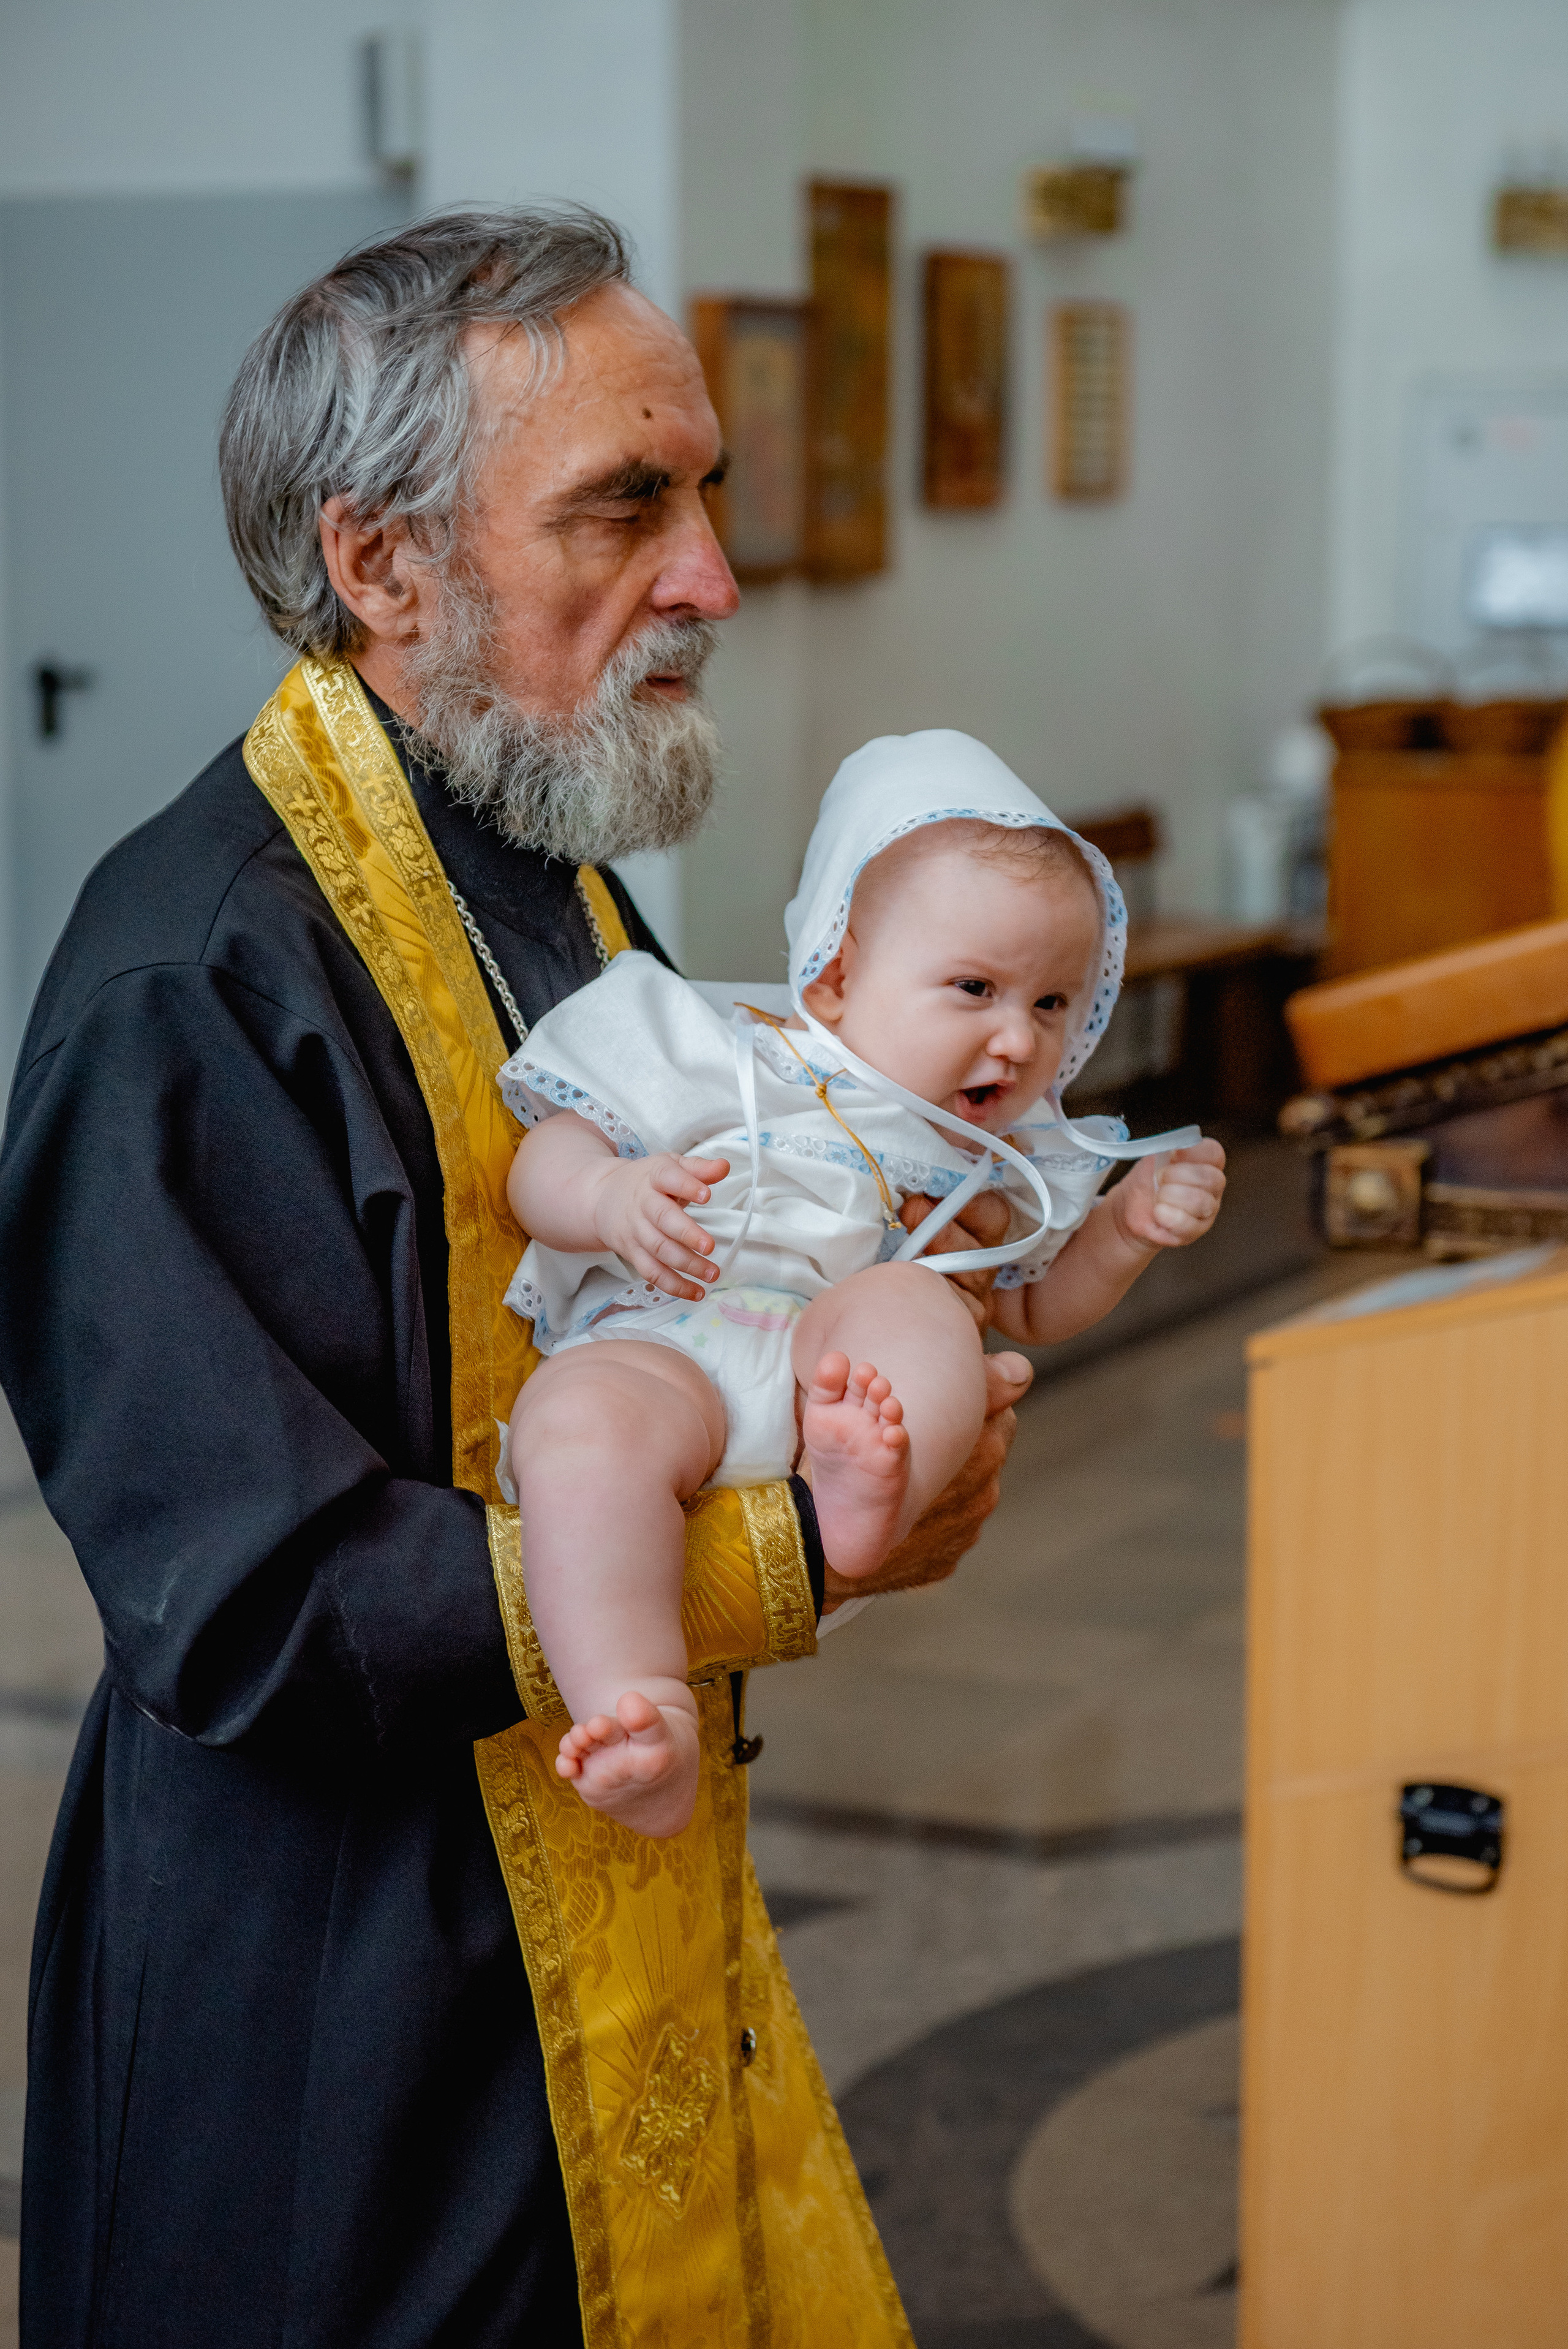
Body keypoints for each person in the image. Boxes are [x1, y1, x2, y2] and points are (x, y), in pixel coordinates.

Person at [0, 207, 1031, 2349]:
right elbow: (254, 1599)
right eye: (624, 507)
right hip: (337, 1996)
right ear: (382, 566)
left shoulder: (539, 858)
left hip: (581, 1883)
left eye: (708, 493)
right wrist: (794, 1546)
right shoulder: (192, 974)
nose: (713, 579)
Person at [502, 732, 1227, 1836]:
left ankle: (856, 1503)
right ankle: (638, 1707)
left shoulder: (1000, 1154)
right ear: (836, 976)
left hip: (831, 1378)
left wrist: (1125, 1229)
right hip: (666, 1334)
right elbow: (541, 1159)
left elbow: (1034, 1307)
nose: (1016, 1037)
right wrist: (610, 1199)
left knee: (923, 1309)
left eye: (1053, 1003)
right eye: (976, 987)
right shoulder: (706, 1044)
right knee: (579, 1434)